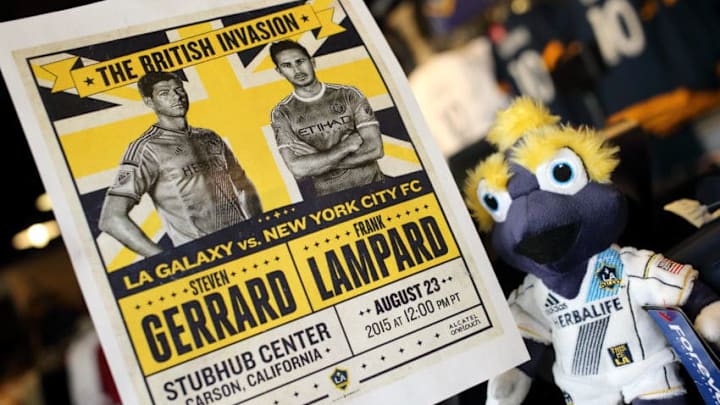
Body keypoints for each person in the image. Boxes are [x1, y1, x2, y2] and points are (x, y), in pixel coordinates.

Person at [99, 71, 262, 257]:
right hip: (204, 256)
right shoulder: (147, 148)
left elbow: (244, 185)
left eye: (179, 90)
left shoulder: (209, 136)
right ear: (149, 102)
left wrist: (257, 227)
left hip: (247, 244)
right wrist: (167, 262)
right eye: (164, 93)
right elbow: (111, 218)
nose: (176, 97)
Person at [269, 39, 385, 197]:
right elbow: (298, 169)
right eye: (287, 65)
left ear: (312, 62)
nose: (297, 70)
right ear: (279, 71)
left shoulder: (348, 94)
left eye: (300, 61)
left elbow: (375, 149)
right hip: (332, 203)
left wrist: (317, 157)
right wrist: (346, 146)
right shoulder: (281, 113)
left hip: (377, 188)